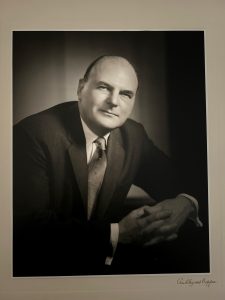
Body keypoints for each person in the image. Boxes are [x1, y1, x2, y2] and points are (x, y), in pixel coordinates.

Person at [13, 55, 202, 276]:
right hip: (41, 271)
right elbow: (27, 227)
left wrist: (185, 202)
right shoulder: (33, 134)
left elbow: (182, 180)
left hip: (102, 269)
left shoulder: (134, 136)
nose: (114, 101)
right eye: (104, 87)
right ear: (81, 88)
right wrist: (118, 233)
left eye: (125, 94)